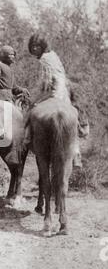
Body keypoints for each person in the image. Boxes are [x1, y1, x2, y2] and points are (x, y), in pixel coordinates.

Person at [25, 33, 83, 168]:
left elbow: (45, 81)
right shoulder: (54, 55)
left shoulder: (43, 59)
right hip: (64, 91)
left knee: (30, 111)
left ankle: (27, 139)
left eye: (37, 46)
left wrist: (36, 98)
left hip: (54, 90)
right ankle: (76, 154)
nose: (35, 49)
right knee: (74, 122)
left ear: (42, 46)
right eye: (33, 46)